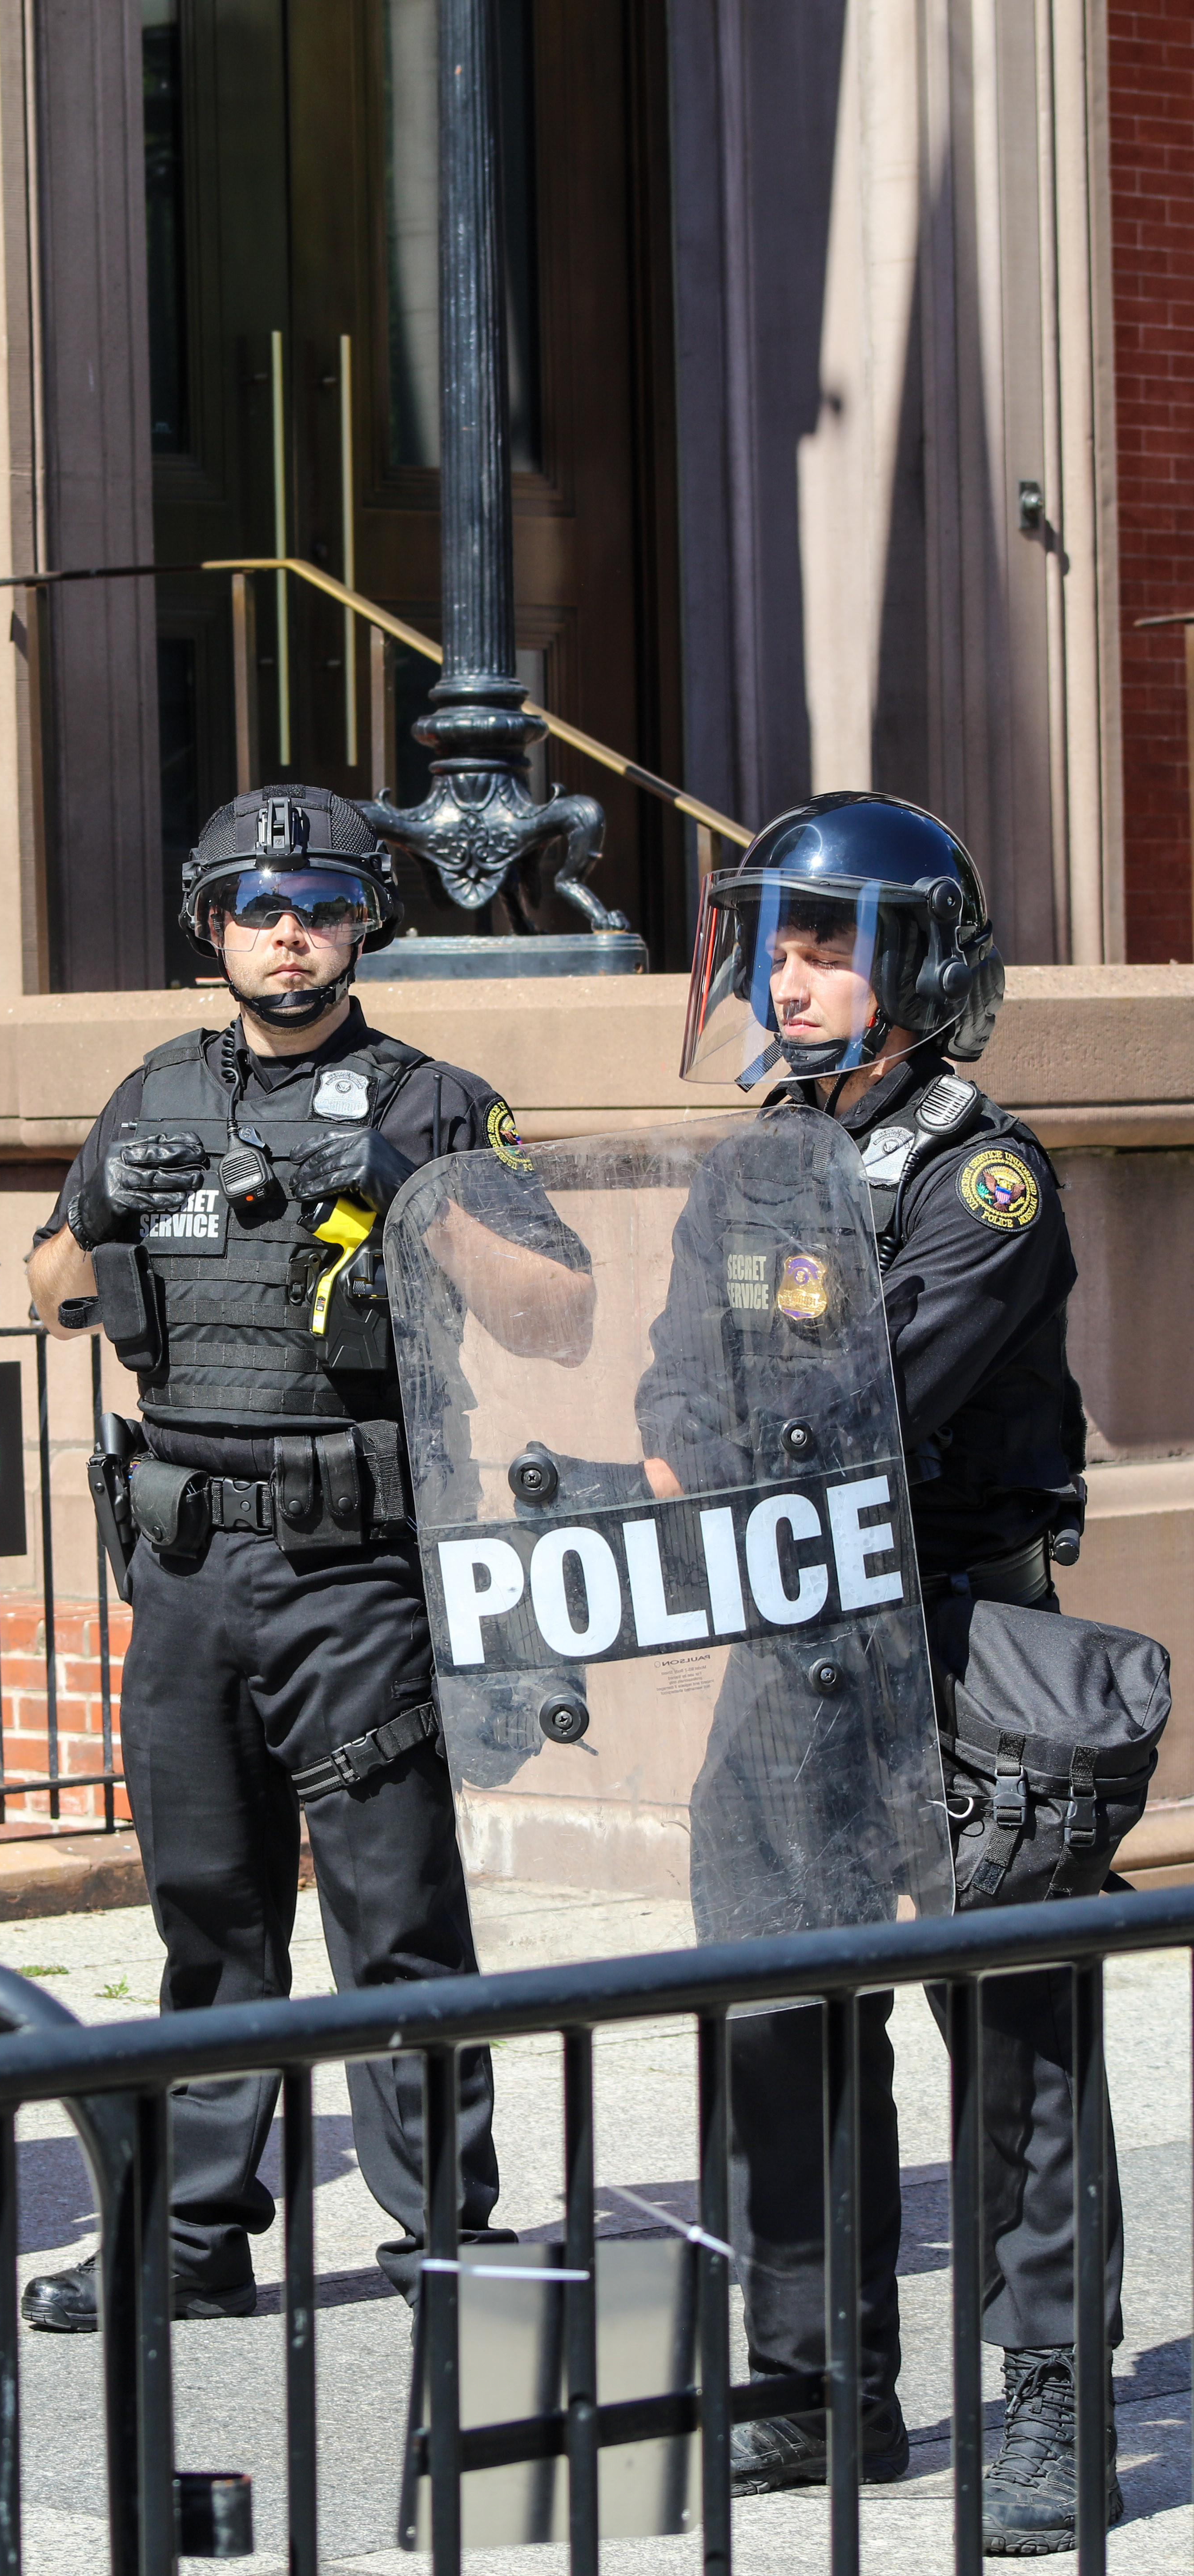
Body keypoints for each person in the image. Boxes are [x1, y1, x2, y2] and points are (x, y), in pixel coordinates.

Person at [20, 785, 595, 2331]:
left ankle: (441, 2246)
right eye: (260, 911)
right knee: (204, 1912)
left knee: (393, 1918)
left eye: (322, 907)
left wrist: (415, 1211)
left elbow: (555, 1311)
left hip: (354, 1568)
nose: (291, 938)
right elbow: (46, 1292)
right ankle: (193, 2238)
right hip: (188, 1561)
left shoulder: (429, 1101)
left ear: (365, 925)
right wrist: (103, 1227)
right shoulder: (150, 1094)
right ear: (211, 926)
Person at [639, 791, 1116, 2552]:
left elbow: (878, 1410)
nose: (792, 967)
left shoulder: (981, 1174)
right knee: (778, 2021)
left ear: (915, 957)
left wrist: (747, 1445)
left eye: (828, 936)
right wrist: (698, 1447)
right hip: (790, 1647)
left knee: (1015, 2033)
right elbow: (676, 1386)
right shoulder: (751, 1158)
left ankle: (1052, 2391)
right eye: (775, 934)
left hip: (962, 1646)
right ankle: (808, 2375)